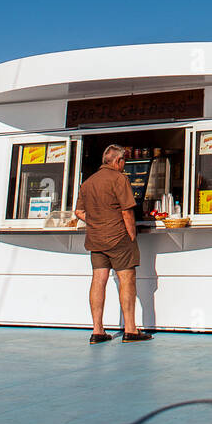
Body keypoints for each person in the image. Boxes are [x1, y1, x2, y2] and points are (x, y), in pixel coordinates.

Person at [74, 144, 152, 343]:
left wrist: (97, 222)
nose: (124, 165)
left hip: (96, 239)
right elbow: (127, 211)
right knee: (127, 280)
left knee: (98, 281)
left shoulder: (88, 183)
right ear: (118, 161)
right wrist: (132, 235)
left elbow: (79, 212)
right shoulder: (119, 179)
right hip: (119, 238)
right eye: (124, 161)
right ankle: (130, 330)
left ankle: (97, 331)